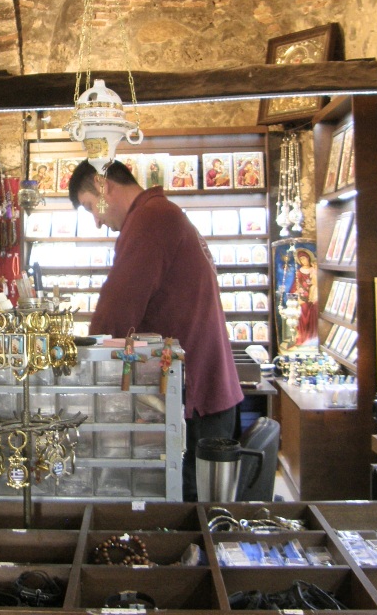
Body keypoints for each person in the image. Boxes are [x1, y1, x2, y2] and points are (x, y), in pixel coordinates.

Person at [68, 160, 244, 502]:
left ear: (103, 187)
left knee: (190, 522)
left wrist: (80, 368)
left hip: (196, 404)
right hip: (206, 395)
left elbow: (115, 312)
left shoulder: (150, 219)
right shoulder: (160, 213)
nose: (98, 221)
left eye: (92, 207)